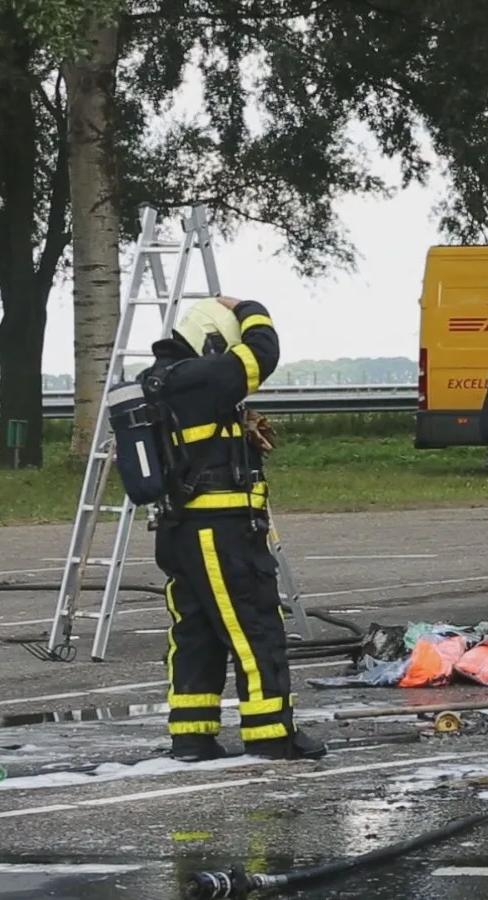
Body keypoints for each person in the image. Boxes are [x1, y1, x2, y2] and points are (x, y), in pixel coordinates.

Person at [146, 296, 326, 762]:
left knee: (198, 633)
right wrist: (252, 308)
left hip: (184, 531)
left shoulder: (167, 380)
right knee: (256, 628)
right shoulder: (201, 376)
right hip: (219, 531)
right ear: (211, 344)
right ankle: (272, 735)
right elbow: (263, 351)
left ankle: (192, 735)